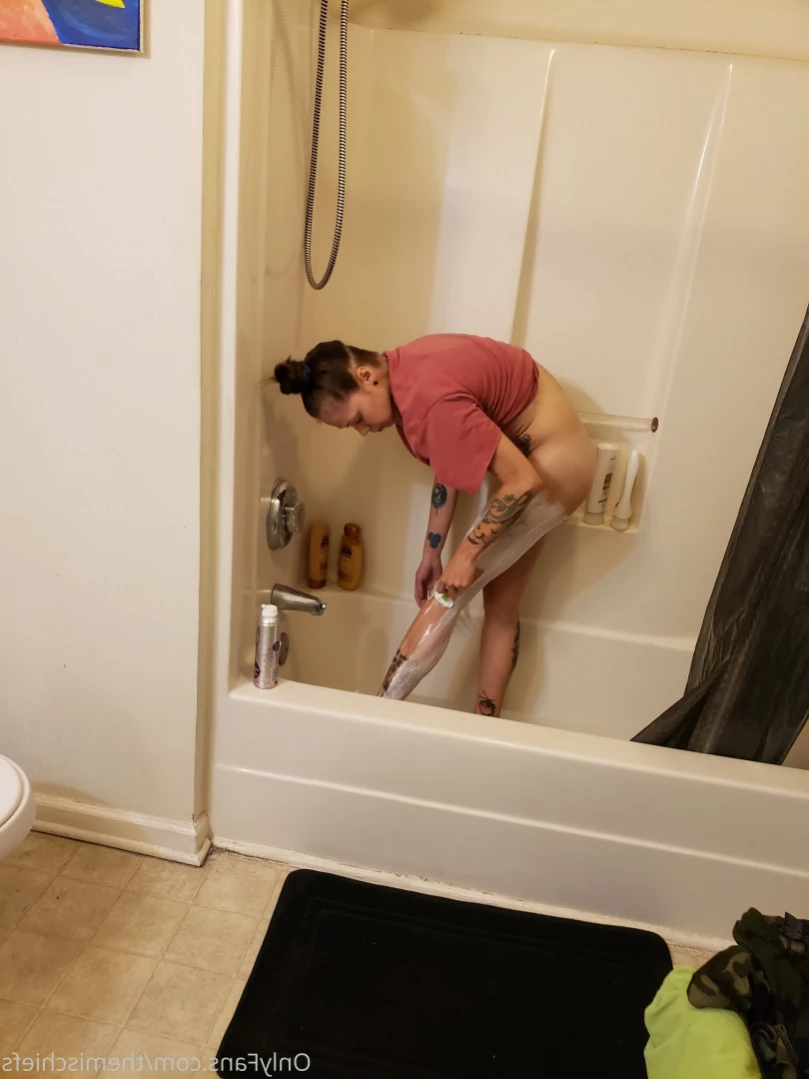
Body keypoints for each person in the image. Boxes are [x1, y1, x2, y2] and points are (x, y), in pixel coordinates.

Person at [274, 334, 596, 717]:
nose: (363, 431)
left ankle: (377, 715)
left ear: (365, 376)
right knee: (500, 605)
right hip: (554, 458)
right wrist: (432, 552)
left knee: (446, 597)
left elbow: (523, 481)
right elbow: (451, 457)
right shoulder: (406, 373)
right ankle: (485, 728)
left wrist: (466, 555)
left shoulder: (428, 399)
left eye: (357, 418)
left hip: (553, 465)